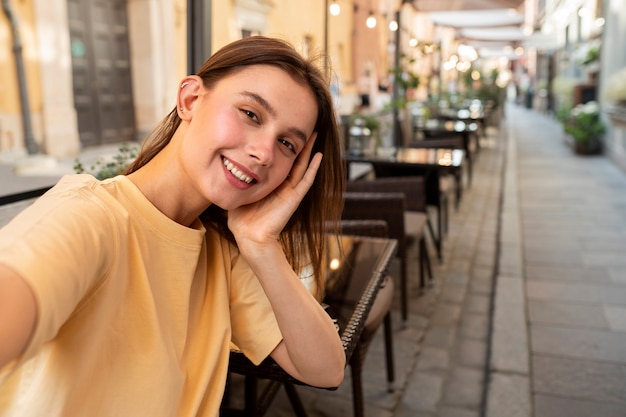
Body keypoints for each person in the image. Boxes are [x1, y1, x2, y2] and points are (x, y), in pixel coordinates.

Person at [0, 36, 346, 416]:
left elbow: (325, 368)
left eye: (286, 144)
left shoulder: (222, 254)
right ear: (190, 100)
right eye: (250, 114)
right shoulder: (92, 217)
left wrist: (262, 244)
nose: (263, 153)